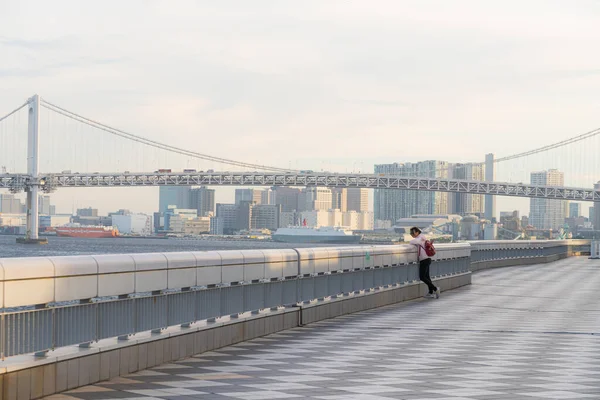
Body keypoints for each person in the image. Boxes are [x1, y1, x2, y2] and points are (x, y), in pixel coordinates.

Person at [409, 227, 440, 299]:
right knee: (427, 277)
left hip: (424, 260)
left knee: (422, 277)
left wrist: (413, 241)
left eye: (412, 233)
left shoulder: (420, 238)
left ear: (417, 232)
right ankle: (430, 292)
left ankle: (435, 289)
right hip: (427, 259)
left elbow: (412, 242)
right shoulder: (422, 237)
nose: (411, 235)